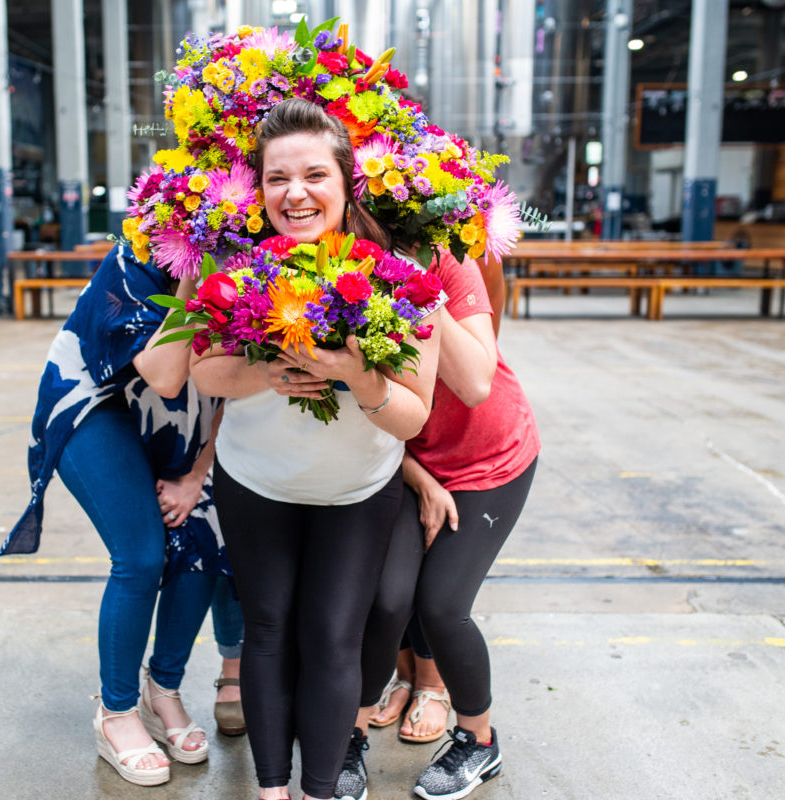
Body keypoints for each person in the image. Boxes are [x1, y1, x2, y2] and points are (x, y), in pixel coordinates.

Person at [190, 97, 442, 800]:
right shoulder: (238, 275)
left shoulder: (401, 283)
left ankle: (320, 790)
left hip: (354, 490)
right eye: (275, 178)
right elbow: (204, 372)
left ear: (346, 183)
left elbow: (413, 417)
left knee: (334, 637)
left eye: (312, 175)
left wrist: (355, 373)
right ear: (259, 189)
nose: (294, 193)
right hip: (255, 481)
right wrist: (265, 371)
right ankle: (273, 791)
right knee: (267, 630)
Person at [0, 243, 244, 787]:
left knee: (205, 530)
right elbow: (164, 374)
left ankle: (164, 691)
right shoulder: (139, 256)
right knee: (140, 556)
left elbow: (234, 389)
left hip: (181, 416)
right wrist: (195, 269)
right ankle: (115, 713)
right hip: (96, 400)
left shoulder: (267, 263)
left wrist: (194, 475)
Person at [334, 250, 540, 800]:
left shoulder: (448, 261)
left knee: (443, 605)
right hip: (406, 461)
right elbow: (356, 403)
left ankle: (479, 740)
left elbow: (475, 383)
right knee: (386, 598)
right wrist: (422, 481)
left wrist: (417, 280)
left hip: (489, 460)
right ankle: (348, 738)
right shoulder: (332, 267)